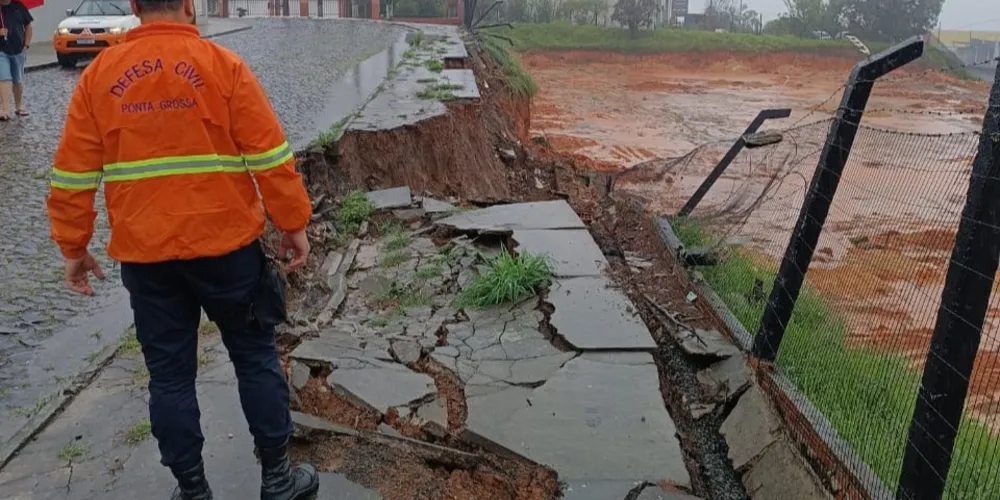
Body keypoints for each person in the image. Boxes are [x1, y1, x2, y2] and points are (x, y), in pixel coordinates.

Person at [45, 0, 320, 497]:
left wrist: (74, 245)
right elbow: (270, 154)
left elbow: (72, 174)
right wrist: (292, 221)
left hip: (148, 260)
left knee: (169, 377)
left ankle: (193, 490)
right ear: (190, 6)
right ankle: (278, 479)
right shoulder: (224, 67)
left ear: (134, 7)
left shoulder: (99, 77)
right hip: (228, 251)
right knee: (255, 356)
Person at [0, 0, 32, 121]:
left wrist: (27, 45)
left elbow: (28, 26)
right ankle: (5, 110)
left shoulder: (19, 6)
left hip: (18, 50)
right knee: (4, 78)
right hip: (1, 51)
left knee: (18, 79)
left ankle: (19, 106)